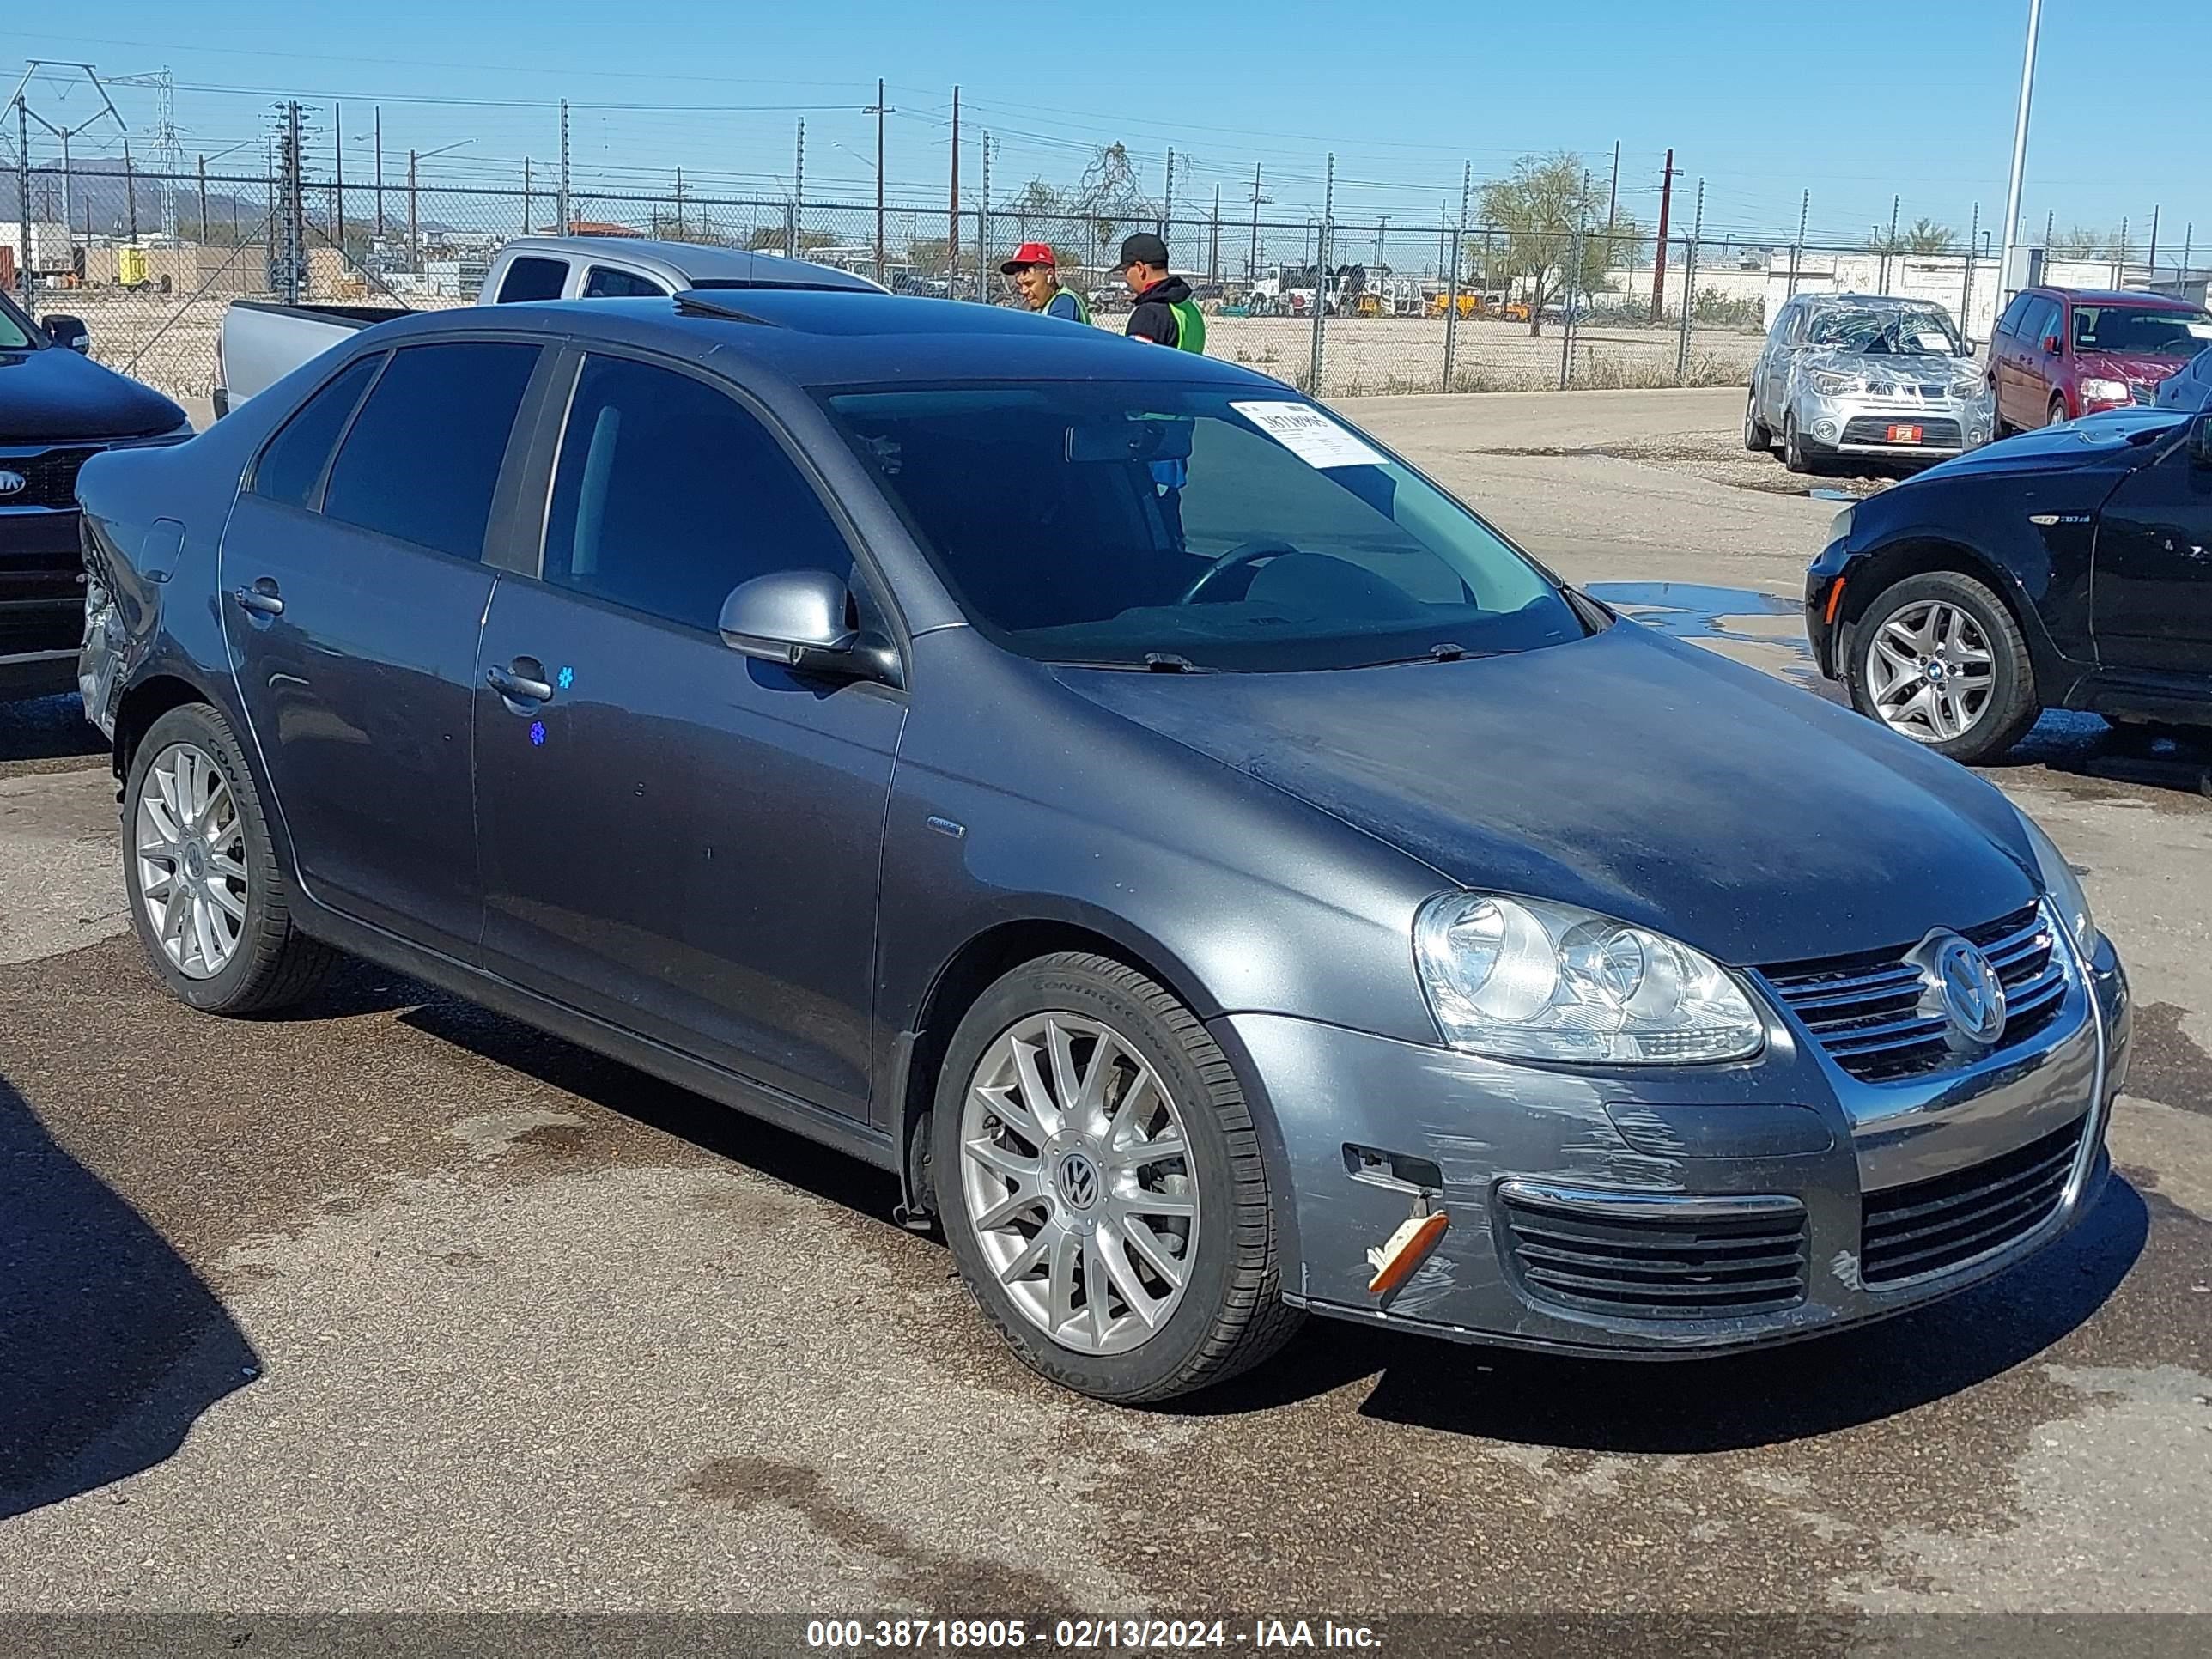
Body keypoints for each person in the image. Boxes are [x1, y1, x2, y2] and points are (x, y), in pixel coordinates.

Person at [1117, 233, 1206, 355]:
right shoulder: (1191, 309)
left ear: (1140, 269)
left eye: (1125, 271)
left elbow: (1136, 365)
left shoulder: (1148, 315)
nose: (1126, 278)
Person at [999, 241, 1089, 323]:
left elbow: (1055, 338)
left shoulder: (1064, 303)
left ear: (1050, 276)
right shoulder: (1049, 305)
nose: (1024, 291)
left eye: (1029, 283)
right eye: (1020, 285)